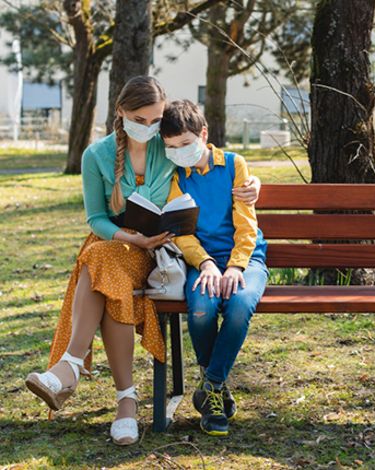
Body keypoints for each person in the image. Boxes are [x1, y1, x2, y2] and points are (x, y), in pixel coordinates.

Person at [24, 76, 261, 445]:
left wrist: (254, 184)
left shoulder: (165, 148)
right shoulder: (96, 156)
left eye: (155, 120)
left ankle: (73, 370)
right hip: (116, 243)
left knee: (99, 266)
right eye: (140, 119)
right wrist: (129, 236)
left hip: (158, 253)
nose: (149, 128)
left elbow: (207, 161)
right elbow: (95, 219)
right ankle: (123, 402)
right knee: (105, 264)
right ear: (120, 112)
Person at [161, 99, 268, 437]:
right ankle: (216, 390)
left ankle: (210, 386)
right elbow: (183, 233)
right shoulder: (175, 176)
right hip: (201, 261)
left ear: (203, 134)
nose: (180, 152)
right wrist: (205, 263)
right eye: (172, 147)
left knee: (238, 307)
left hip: (245, 258)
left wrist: (236, 266)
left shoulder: (235, 165)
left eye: (186, 144)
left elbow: (246, 225)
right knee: (202, 310)